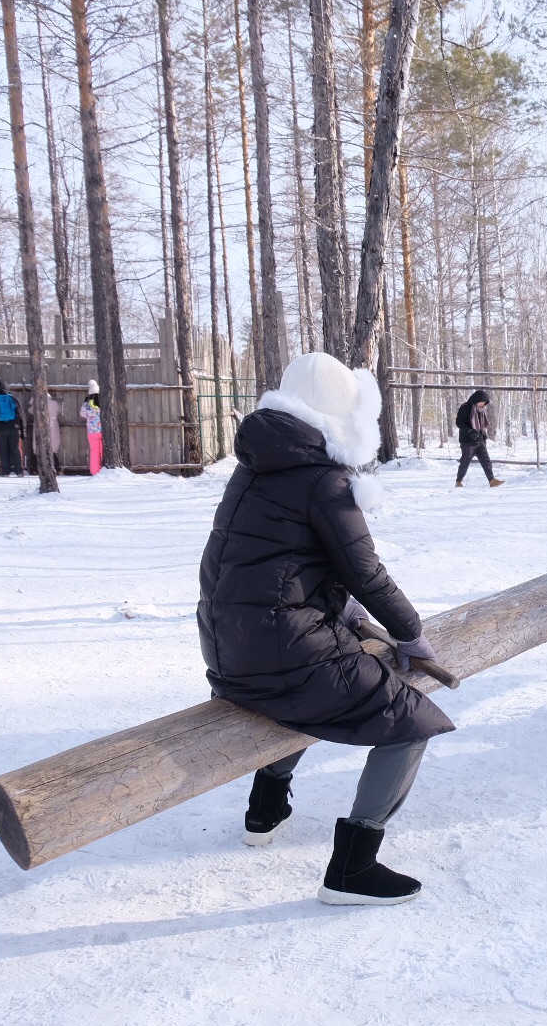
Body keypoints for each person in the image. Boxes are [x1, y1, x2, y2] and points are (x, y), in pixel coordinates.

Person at [199, 350, 453, 906]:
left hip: (228, 652)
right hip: (279, 654)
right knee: (409, 720)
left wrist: (340, 611)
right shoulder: (323, 479)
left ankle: (265, 811)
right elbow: (366, 571)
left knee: (325, 686)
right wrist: (409, 633)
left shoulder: (253, 467)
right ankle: (353, 870)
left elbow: (270, 568)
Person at [455, 389, 502, 488]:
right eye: (481, 402)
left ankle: (491, 480)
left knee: (486, 461)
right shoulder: (465, 407)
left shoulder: (481, 410)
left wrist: (483, 436)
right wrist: (469, 431)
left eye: (484, 403)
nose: (482, 405)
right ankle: (458, 481)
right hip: (467, 441)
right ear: (476, 400)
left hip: (479, 440)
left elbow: (481, 425)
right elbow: (459, 422)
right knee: (465, 462)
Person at [0, 381, 24, 476]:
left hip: (1, 429)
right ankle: (19, 470)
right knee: (15, 449)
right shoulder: (13, 399)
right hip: (14, 427)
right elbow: (21, 415)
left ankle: (5, 471)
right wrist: (22, 430)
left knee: (2, 450)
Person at [81, 380, 103, 476]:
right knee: (103, 451)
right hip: (103, 430)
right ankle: (104, 469)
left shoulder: (86, 403)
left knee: (94, 452)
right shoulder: (102, 401)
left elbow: (82, 414)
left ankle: (94, 471)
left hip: (91, 431)